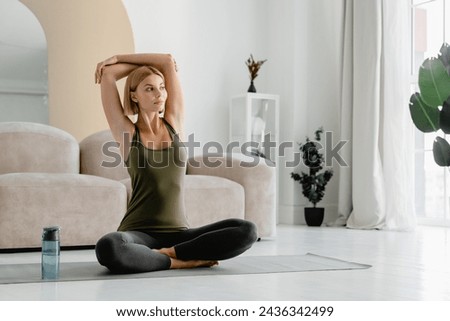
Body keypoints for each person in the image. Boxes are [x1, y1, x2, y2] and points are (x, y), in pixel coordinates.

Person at [94, 54, 257, 273]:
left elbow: (168, 62)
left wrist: (120, 57)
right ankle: (181, 261)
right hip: (138, 233)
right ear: (134, 96)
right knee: (109, 246)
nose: (159, 94)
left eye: (161, 87)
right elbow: (109, 74)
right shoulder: (127, 133)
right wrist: (119, 62)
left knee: (247, 230)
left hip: (180, 234)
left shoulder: (174, 122)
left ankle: (168, 254)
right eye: (149, 89)